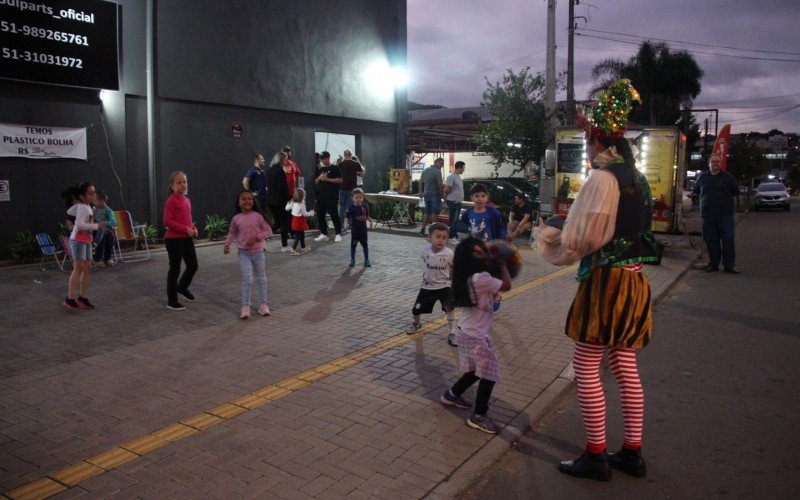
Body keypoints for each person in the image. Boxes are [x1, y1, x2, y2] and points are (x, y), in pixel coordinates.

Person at [536, 128, 659, 480]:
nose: (588, 150)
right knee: (624, 365)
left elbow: (586, 236)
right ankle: (632, 452)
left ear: (601, 145)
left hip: (607, 282)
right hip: (634, 278)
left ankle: (596, 455)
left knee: (586, 364)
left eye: (590, 143)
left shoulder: (604, 178)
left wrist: (555, 238)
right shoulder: (637, 177)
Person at [439, 237, 511, 434]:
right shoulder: (481, 278)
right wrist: (503, 265)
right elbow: (506, 285)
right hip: (473, 335)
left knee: (475, 371)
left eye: (484, 251)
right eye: (480, 253)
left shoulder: (472, 276)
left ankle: (452, 394)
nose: (485, 255)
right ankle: (478, 416)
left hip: (469, 332)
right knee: (489, 373)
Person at [406, 222, 458, 345]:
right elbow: (425, 263)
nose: (441, 240)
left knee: (449, 309)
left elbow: (454, 268)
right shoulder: (425, 251)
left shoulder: (449, 253)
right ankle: (417, 323)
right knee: (416, 310)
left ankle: (452, 333)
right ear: (430, 238)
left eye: (444, 238)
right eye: (438, 237)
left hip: (445, 287)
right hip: (427, 287)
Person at [224, 190, 273, 319]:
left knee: (261, 278)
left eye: (249, 199)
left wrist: (257, 237)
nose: (247, 201)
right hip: (243, 253)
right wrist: (227, 244)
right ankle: (245, 307)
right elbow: (231, 232)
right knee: (248, 279)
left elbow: (268, 231)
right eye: (243, 199)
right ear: (238, 202)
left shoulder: (258, 216)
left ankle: (263, 305)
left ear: (253, 201)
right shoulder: (236, 219)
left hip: (258, 253)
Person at [691, 153, 740, 273]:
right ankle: (713, 265)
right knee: (711, 240)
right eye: (713, 162)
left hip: (725, 215)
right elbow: (696, 191)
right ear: (709, 164)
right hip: (707, 215)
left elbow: (736, 191)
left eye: (718, 161)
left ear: (721, 163)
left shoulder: (727, 177)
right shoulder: (702, 177)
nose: (715, 164)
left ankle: (729, 266)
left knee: (728, 240)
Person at [62, 182, 106, 310]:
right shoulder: (83, 207)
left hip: (85, 240)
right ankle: (70, 299)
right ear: (82, 196)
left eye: (94, 193)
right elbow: (80, 224)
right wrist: (96, 226)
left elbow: (71, 212)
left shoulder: (86, 207)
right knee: (79, 268)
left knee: (86, 269)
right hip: (78, 240)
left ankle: (83, 297)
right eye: (90, 193)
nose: (93, 195)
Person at [163, 171, 199, 311]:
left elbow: (188, 220)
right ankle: (172, 301)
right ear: (172, 186)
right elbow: (166, 221)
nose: (182, 185)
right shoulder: (171, 200)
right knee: (175, 269)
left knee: (193, 265)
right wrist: (186, 229)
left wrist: (193, 228)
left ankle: (182, 287)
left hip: (186, 238)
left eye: (184, 182)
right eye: (179, 182)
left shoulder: (186, 200)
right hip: (173, 240)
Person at [266, 152, 293, 253]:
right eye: (285, 159)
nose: (287, 161)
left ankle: (260, 237)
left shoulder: (269, 171)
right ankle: (284, 245)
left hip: (271, 201)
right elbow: (283, 188)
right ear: (281, 159)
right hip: (280, 201)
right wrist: (289, 197)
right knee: (284, 223)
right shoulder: (280, 171)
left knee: (277, 222)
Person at [314, 151, 343, 242]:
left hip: (332, 196)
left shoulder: (335, 168)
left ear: (328, 158)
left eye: (324, 159)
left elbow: (340, 180)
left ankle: (338, 234)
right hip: (321, 196)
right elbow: (315, 181)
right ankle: (323, 233)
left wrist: (327, 179)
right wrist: (320, 178)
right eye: (321, 159)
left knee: (333, 214)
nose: (322, 160)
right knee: (320, 214)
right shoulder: (320, 169)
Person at [345, 188, 373, 267]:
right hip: (355, 231)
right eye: (356, 197)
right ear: (352, 198)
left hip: (363, 231)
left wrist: (371, 221)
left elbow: (367, 216)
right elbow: (346, 217)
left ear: (363, 198)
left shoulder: (365, 207)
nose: (358, 199)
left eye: (360, 197)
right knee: (353, 245)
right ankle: (352, 259)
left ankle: (367, 260)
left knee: (365, 245)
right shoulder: (351, 208)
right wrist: (345, 223)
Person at [338, 149, 364, 232]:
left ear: (344, 155)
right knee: (351, 208)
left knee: (342, 208)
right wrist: (356, 173)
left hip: (342, 188)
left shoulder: (340, 164)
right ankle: (350, 226)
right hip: (352, 189)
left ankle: (342, 226)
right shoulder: (356, 164)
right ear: (351, 154)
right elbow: (362, 173)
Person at [418, 157, 445, 235]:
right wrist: (442, 194)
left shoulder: (425, 169)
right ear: (436, 162)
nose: (442, 166)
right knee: (434, 213)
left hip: (426, 193)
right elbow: (440, 184)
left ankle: (422, 230)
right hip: (435, 194)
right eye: (441, 163)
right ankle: (434, 231)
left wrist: (420, 191)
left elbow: (420, 181)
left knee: (426, 212)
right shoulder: (437, 171)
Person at [285, 188, 315, 255]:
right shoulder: (302, 204)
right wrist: (311, 213)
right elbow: (305, 214)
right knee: (298, 236)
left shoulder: (293, 203)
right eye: (304, 195)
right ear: (302, 196)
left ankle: (303, 248)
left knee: (301, 235)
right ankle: (293, 250)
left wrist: (288, 203)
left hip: (294, 221)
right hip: (300, 221)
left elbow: (286, 208)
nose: (304, 196)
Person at [92, 190, 117, 267]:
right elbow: (91, 220)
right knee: (99, 242)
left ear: (102, 201)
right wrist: (92, 213)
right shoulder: (95, 209)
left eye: (95, 201)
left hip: (108, 231)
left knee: (110, 242)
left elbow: (113, 222)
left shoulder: (109, 211)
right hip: (97, 231)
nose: (94, 202)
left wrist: (105, 223)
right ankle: (97, 260)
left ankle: (107, 258)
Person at [444, 161, 465, 245]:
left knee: (455, 220)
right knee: (453, 220)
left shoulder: (458, 177)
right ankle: (451, 237)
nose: (464, 170)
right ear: (459, 168)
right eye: (463, 168)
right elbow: (446, 189)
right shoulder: (451, 176)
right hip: (453, 201)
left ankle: (454, 236)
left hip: (457, 201)